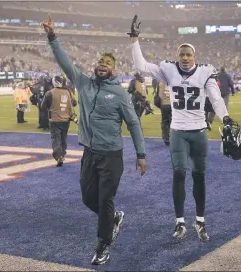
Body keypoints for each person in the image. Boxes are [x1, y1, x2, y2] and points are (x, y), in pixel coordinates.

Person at [42, 13, 147, 265]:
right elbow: (64, 62)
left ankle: (103, 245)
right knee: (88, 198)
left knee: (104, 199)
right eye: (100, 61)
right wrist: (52, 37)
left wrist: (141, 154)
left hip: (111, 155)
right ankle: (111, 218)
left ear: (113, 69)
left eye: (108, 63)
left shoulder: (120, 94)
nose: (103, 64)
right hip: (89, 153)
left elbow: (133, 123)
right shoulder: (84, 83)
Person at [129, 15, 235, 242]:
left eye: (189, 54)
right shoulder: (168, 69)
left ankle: (200, 220)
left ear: (194, 56)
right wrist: (135, 40)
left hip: (199, 132)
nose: (185, 58)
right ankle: (179, 223)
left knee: (200, 177)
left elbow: (216, 98)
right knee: (178, 173)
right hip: (177, 131)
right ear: (177, 56)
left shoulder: (206, 71)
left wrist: (225, 118)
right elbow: (141, 66)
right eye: (182, 54)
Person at [41, 75, 78, 167]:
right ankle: (62, 154)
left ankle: (59, 156)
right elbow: (74, 103)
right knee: (63, 138)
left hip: (54, 119)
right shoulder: (69, 91)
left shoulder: (49, 93)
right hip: (66, 119)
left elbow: (42, 107)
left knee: (55, 139)